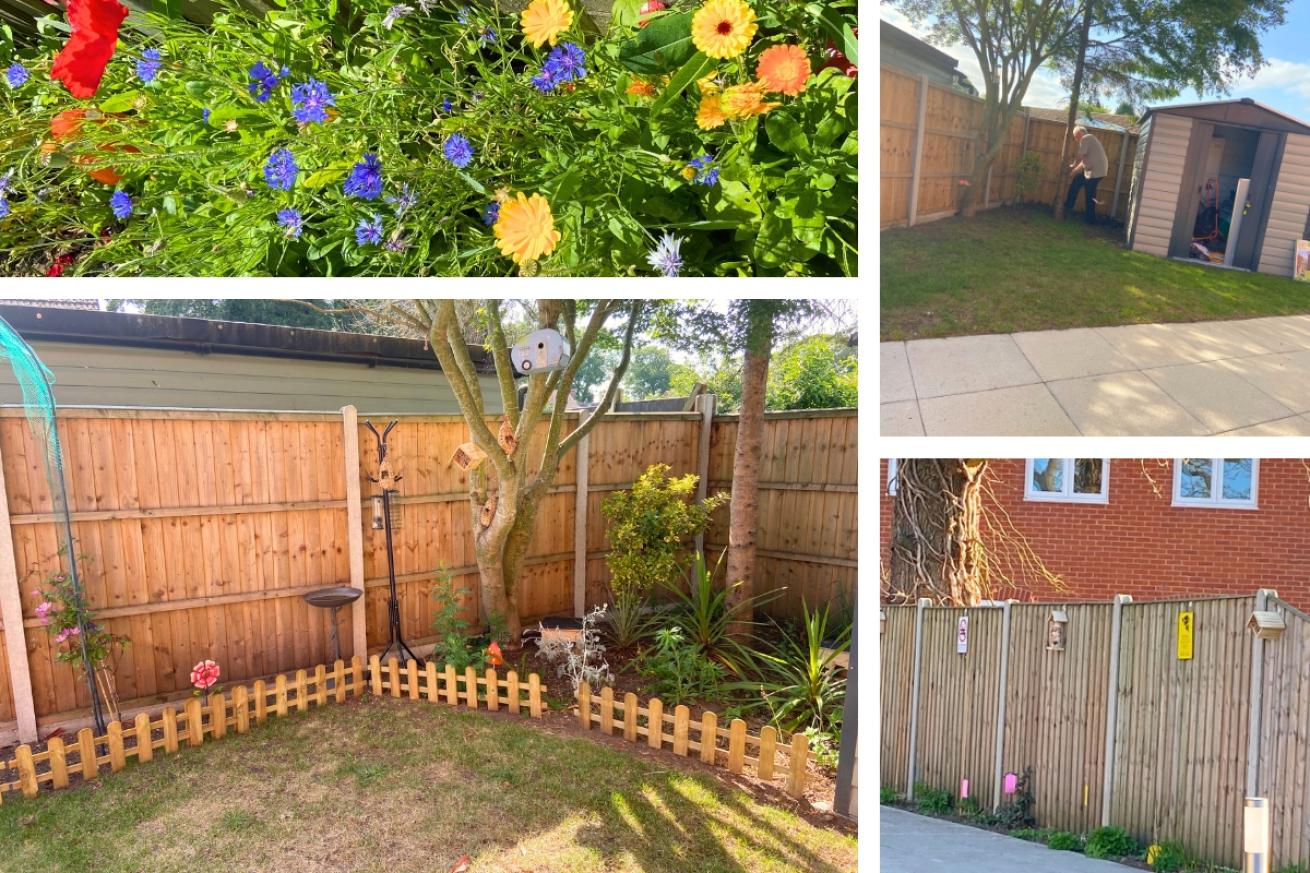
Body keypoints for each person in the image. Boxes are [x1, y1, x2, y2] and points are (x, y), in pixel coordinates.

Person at [1065, 125, 1109, 224]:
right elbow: (1083, 162)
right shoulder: (1090, 140)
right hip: (1096, 170)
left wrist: (1073, 165)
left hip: (1095, 171)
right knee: (1077, 182)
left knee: (1089, 194)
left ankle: (1090, 220)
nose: (1076, 140)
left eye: (1075, 137)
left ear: (1080, 134)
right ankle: (1068, 207)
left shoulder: (1086, 138)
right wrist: (1073, 172)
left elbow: (1080, 156)